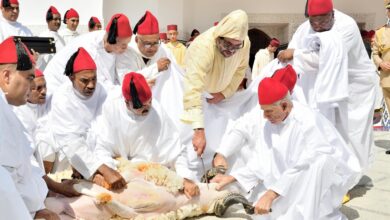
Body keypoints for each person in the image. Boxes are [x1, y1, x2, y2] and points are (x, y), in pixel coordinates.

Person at [212, 77, 360, 219]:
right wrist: (232, 178)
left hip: (321, 179)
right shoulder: (271, 123)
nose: (264, 116)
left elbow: (305, 166)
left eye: (268, 111)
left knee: (319, 163)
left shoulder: (307, 121)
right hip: (289, 181)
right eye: (263, 110)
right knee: (268, 213)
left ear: (284, 105)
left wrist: (272, 194)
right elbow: (262, 160)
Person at [278, 0, 377, 171]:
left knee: (349, 134)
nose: (317, 25)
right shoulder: (304, 28)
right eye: (313, 21)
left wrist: (295, 54)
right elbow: (289, 55)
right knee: (321, 130)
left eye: (323, 20)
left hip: (352, 87)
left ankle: (348, 177)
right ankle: (324, 172)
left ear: (332, 14)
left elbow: (326, 58)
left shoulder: (346, 25)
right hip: (320, 86)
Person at [0, 36, 79, 219]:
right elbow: (4, 183)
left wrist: (37, 208)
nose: (32, 86)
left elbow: (22, 170)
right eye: (29, 78)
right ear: (6, 76)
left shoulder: (7, 110)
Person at [94, 72, 199, 196]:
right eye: (141, 106)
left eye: (149, 102)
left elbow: (176, 150)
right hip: (119, 172)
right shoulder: (111, 111)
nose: (147, 108)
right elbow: (101, 148)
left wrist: (185, 177)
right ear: (127, 103)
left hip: (152, 175)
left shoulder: (157, 112)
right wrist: (109, 172)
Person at [35, 47, 120, 188]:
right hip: (70, 154)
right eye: (85, 81)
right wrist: (102, 169)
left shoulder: (102, 89)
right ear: (71, 77)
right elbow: (70, 141)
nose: (91, 85)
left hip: (101, 149)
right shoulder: (62, 98)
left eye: (94, 79)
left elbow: (120, 94)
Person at [181, 9, 250, 157]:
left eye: (236, 46)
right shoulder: (203, 47)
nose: (232, 50)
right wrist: (198, 129)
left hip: (221, 98)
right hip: (196, 101)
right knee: (191, 150)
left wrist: (224, 93)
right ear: (219, 37)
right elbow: (193, 89)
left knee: (219, 144)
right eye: (228, 44)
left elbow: (240, 70)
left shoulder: (244, 43)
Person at [44, 13, 132, 93]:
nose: (126, 47)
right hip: (57, 83)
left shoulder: (113, 45)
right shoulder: (90, 48)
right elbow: (100, 84)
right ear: (112, 40)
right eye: (123, 44)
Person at [37, 6, 65, 71]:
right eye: (55, 19)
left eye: (59, 19)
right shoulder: (43, 37)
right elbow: (37, 60)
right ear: (48, 20)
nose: (58, 22)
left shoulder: (61, 38)